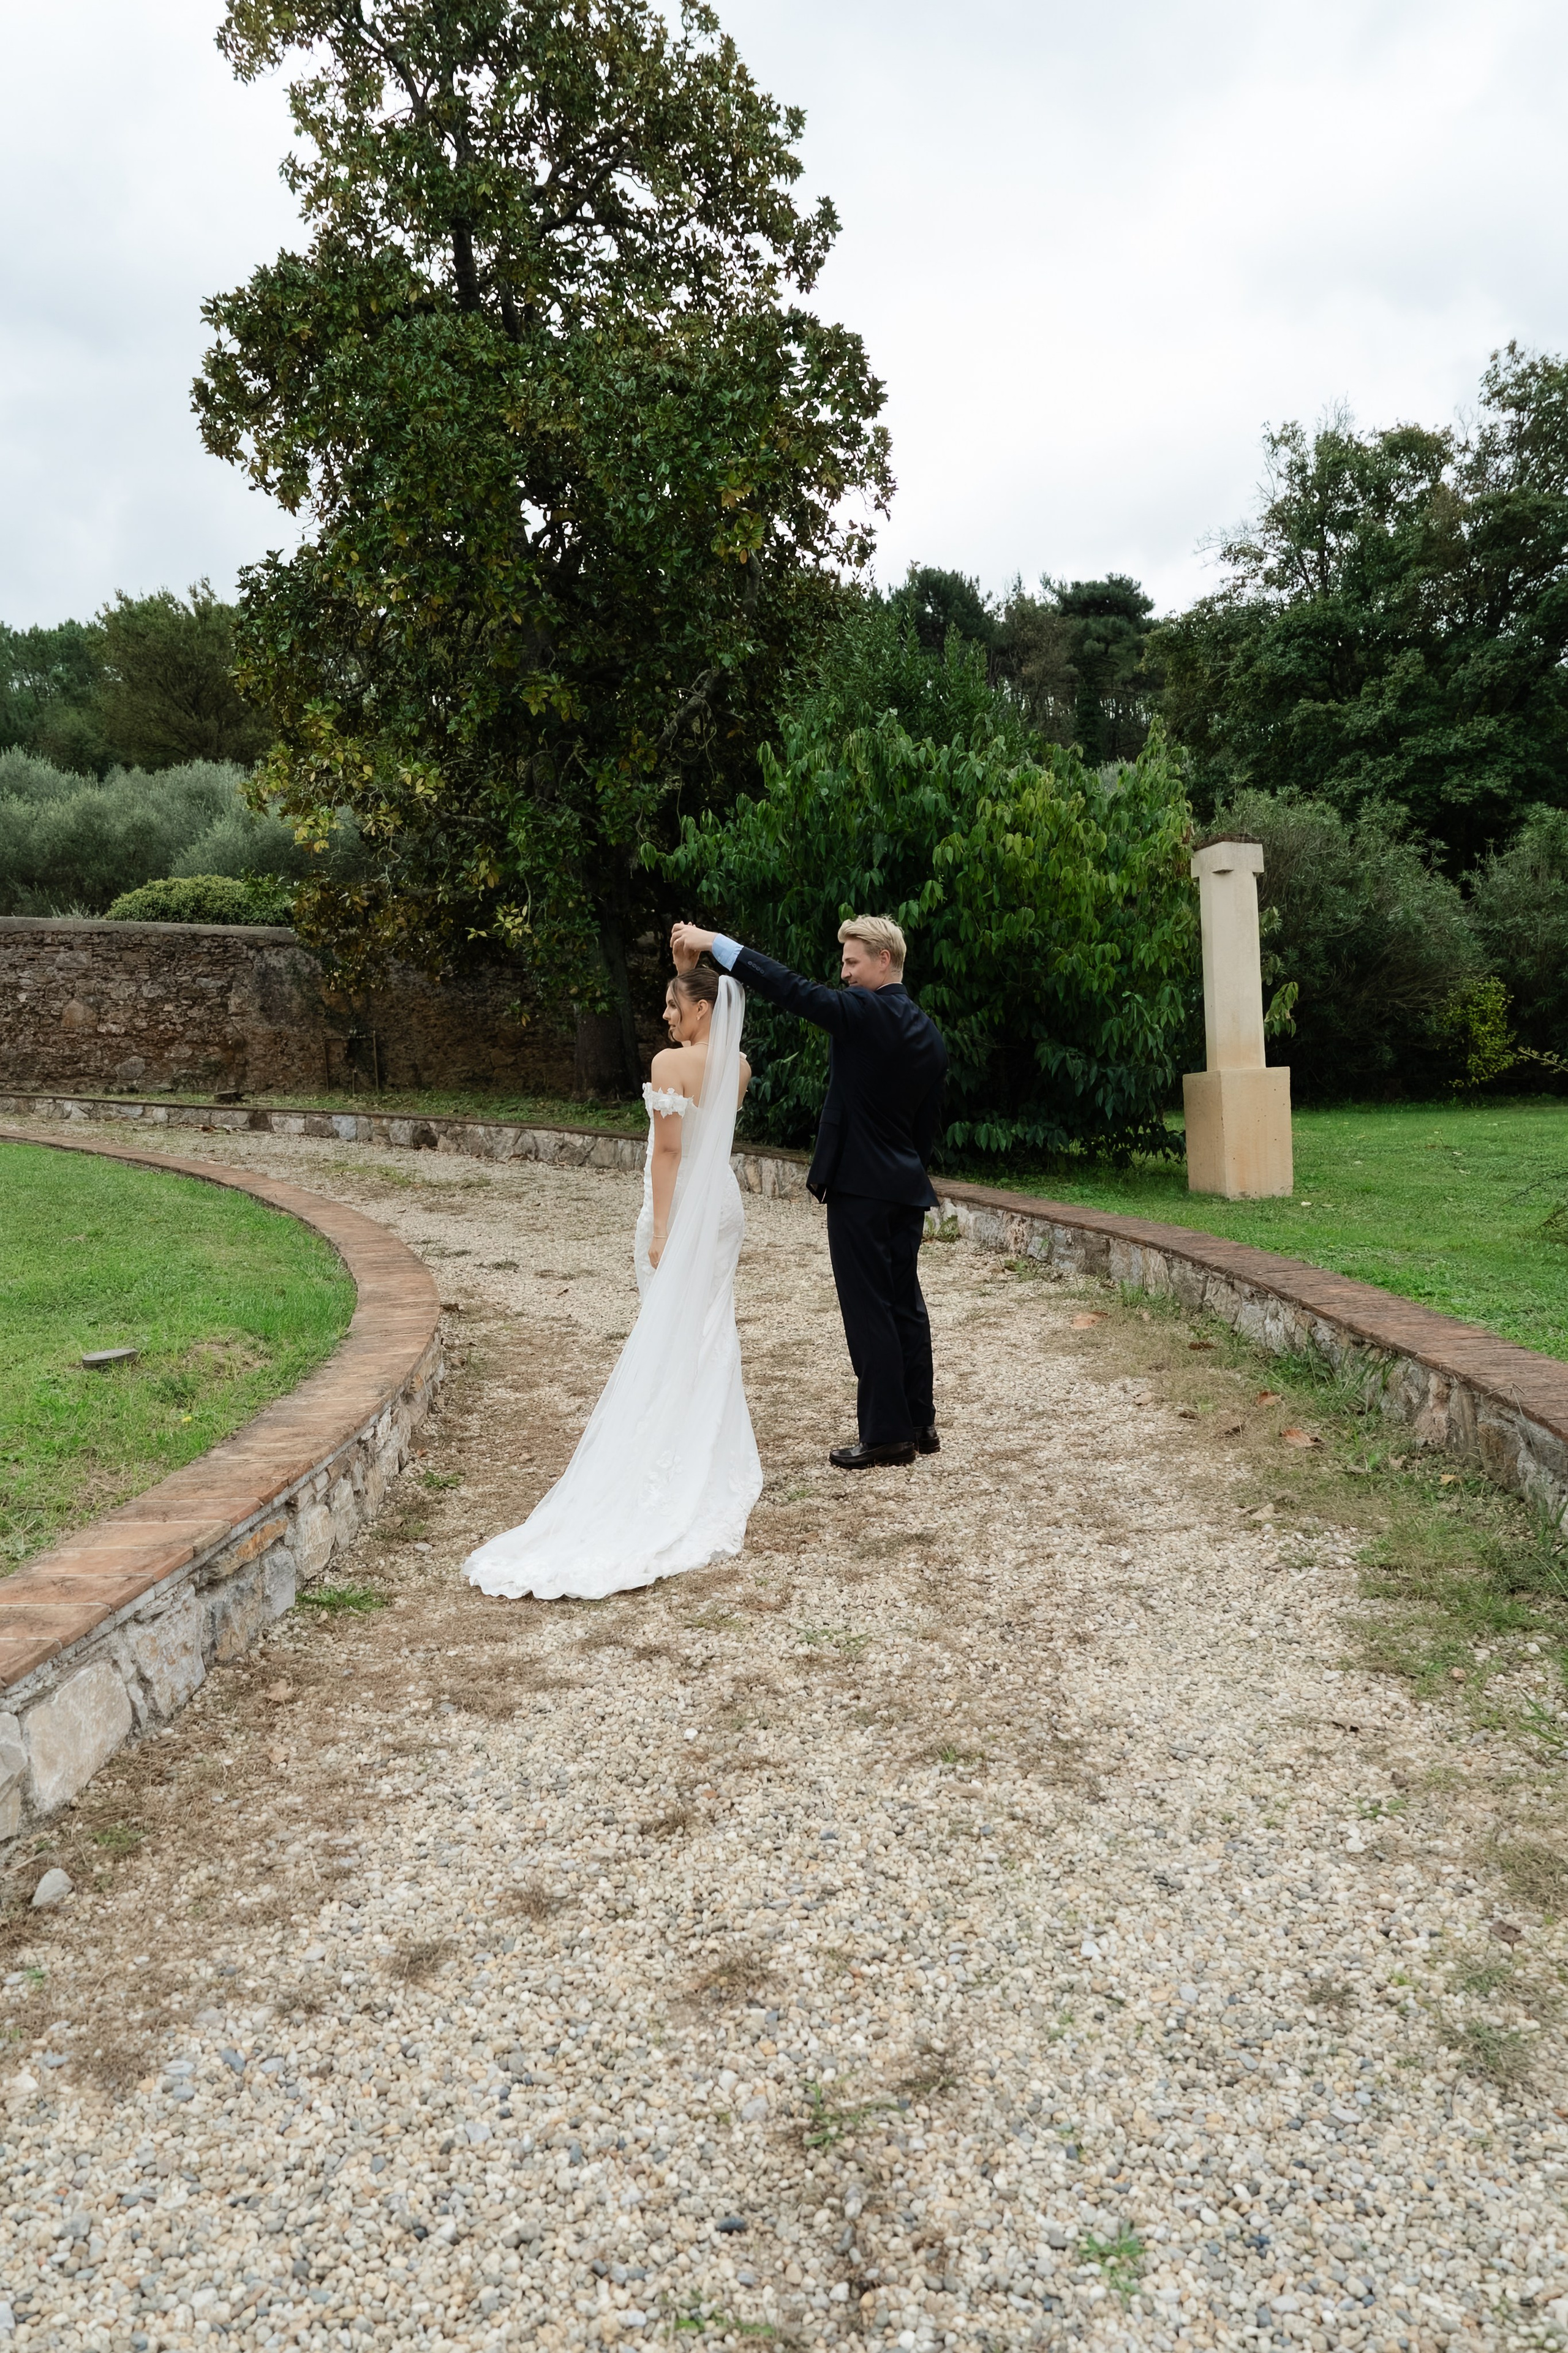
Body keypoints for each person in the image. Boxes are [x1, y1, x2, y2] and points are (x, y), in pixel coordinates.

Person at [463, 967, 761, 1600]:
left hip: (680, 1206)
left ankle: (666, 1443)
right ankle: (707, 1447)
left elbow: (670, 1154)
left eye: (672, 1004)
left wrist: (659, 1229)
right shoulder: (738, 1065)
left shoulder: (668, 1066)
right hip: (724, 1209)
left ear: (703, 1007)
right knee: (710, 1323)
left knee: (665, 1327)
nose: (665, 1015)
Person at [671, 914, 947, 1470]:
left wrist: (715, 944)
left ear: (884, 961)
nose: (843, 972)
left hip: (861, 1188)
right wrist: (907, 1170)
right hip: (905, 1185)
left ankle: (887, 1434)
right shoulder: (926, 1030)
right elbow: (928, 1126)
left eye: (852, 962)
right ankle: (920, 1421)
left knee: (869, 1307)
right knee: (905, 1305)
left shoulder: (865, 1013)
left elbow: (789, 988)